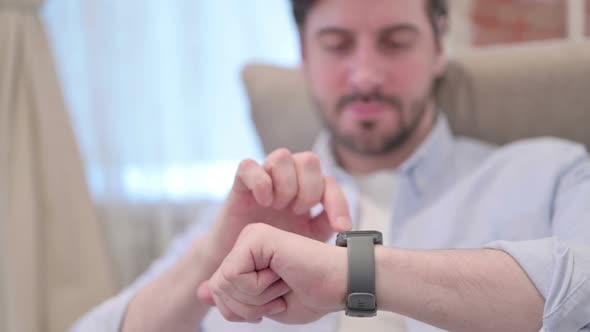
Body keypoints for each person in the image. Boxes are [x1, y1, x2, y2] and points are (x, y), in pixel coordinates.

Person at [73, 0, 590, 331]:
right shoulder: (244, 213)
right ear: (303, 55)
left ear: (438, 47)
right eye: (337, 45)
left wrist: (352, 275)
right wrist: (210, 256)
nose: (365, 75)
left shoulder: (550, 172)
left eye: (395, 42)